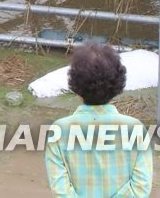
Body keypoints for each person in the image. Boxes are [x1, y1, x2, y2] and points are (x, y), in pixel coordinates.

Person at [45, 42, 153, 197]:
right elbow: (141, 187)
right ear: (117, 83)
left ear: (75, 84)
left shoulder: (59, 131)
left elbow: (60, 189)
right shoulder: (135, 129)